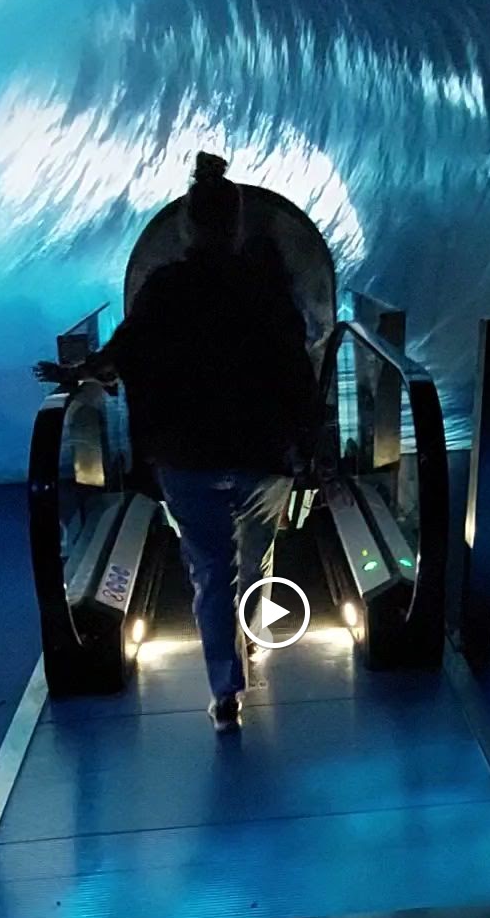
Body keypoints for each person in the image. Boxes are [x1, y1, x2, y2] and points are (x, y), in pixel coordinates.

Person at [36, 155, 319, 732]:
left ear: (188, 227)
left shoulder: (165, 288)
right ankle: (253, 631)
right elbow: (297, 369)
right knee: (255, 554)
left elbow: (125, 350)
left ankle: (225, 693)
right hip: (261, 457)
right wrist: (304, 451)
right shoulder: (264, 288)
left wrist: (78, 373)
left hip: (186, 460)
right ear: (237, 226)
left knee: (211, 573)